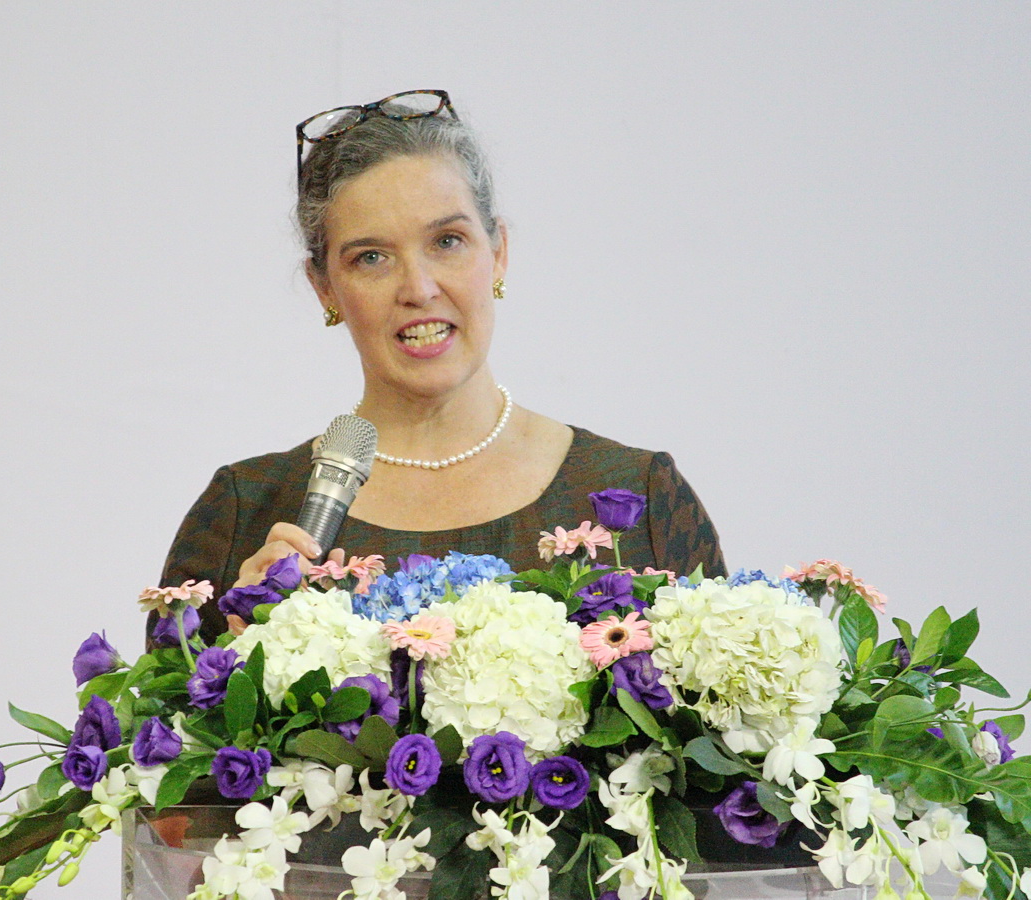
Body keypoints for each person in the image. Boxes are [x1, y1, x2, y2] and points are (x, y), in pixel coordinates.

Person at [155, 90, 724, 646]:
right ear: (324, 286)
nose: (419, 289)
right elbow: (160, 731)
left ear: (498, 250)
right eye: (371, 257)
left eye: (447, 241)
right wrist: (234, 650)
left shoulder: (637, 497)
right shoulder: (241, 515)